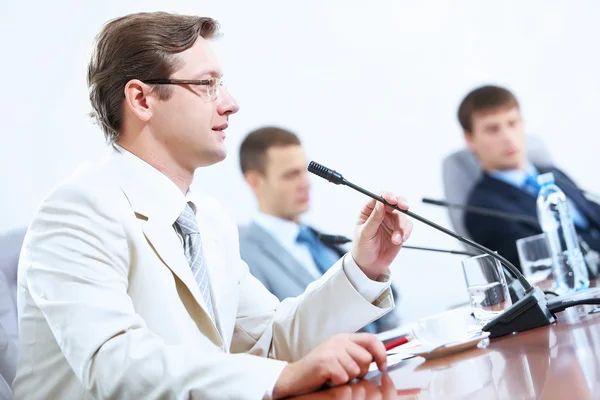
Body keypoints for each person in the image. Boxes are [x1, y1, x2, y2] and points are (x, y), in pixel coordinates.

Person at [12, 12, 413, 399]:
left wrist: (363, 267)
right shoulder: (77, 210)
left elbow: (271, 340)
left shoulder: (207, 218)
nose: (230, 103)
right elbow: (114, 365)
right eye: (207, 84)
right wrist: (283, 378)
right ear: (141, 100)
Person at [238, 126, 400, 333]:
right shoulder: (243, 256)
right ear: (255, 181)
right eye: (290, 175)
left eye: (304, 172)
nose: (305, 184)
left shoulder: (321, 241)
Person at [460, 85, 600, 271]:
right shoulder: (482, 208)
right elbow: (545, 267)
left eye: (512, 123)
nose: (508, 137)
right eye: (493, 129)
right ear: (470, 139)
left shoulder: (552, 173)